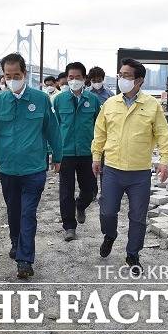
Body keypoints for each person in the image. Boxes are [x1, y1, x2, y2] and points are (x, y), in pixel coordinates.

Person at [0, 53, 62, 279]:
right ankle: (16, 242)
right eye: (8, 76)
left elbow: (52, 129)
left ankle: (25, 259)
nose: (12, 80)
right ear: (3, 76)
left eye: (17, 75)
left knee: (28, 213)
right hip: (8, 169)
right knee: (14, 211)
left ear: (25, 74)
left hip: (34, 168)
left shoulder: (41, 99)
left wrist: (58, 156)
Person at [92, 58, 168, 275]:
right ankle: (110, 235)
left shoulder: (152, 105)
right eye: (120, 75)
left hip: (139, 172)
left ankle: (133, 253)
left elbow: (163, 134)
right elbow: (100, 133)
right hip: (112, 170)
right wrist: (96, 157)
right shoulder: (109, 104)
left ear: (139, 80)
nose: (122, 79)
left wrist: (165, 161)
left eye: (126, 76)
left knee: (138, 217)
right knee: (107, 212)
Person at [53, 62, 100, 241]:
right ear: (66, 79)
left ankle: (81, 205)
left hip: (87, 152)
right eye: (70, 78)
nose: (74, 81)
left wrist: (99, 152)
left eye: (78, 77)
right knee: (66, 191)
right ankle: (69, 227)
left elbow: (99, 127)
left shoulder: (93, 100)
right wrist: (54, 153)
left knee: (89, 190)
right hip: (65, 153)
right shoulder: (59, 100)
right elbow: (54, 127)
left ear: (84, 79)